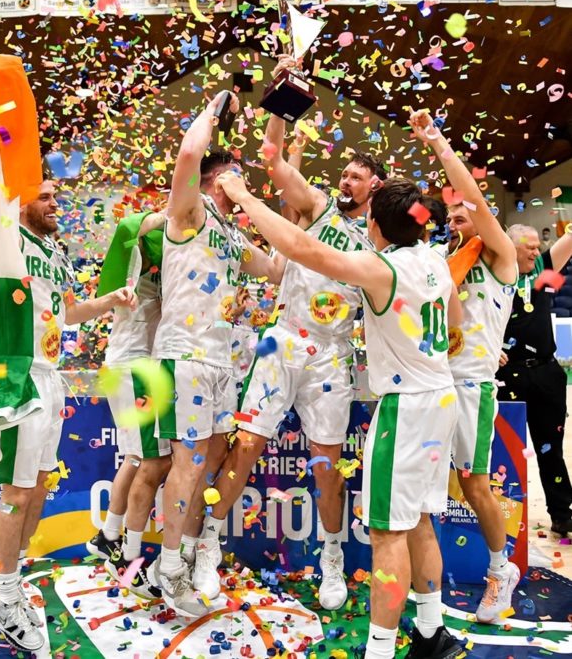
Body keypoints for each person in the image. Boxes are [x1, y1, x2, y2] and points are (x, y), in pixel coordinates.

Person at [215, 169, 464, 659]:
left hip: (408, 407)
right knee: (419, 521)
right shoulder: (436, 260)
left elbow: (303, 250)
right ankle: (433, 632)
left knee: (387, 532)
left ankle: (380, 648)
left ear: (375, 223)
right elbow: (454, 323)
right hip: (442, 397)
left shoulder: (380, 269)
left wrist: (243, 196)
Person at [192, 67, 386, 612]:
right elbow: (274, 161)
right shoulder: (318, 208)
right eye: (342, 173)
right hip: (282, 343)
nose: (344, 181)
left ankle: (330, 558)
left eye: (355, 176)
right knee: (247, 445)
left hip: (334, 356)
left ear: (376, 186)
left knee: (327, 462)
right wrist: (284, 100)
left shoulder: (383, 245)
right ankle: (208, 543)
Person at [0, 181, 138, 652]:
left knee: (41, 480)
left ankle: (10, 576)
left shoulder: (55, 251)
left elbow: (68, 313)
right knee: (17, 488)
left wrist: (111, 301)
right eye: (46, 196)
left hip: (49, 374)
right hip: (12, 375)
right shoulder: (6, 235)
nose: (56, 204)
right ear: (21, 199)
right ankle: (4, 591)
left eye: (56, 197)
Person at [146, 91, 282, 618]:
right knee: (186, 464)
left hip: (222, 363)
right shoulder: (189, 212)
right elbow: (186, 158)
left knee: (208, 462)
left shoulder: (229, 232)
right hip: (185, 358)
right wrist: (212, 108)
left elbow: (274, 269)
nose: (241, 178)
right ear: (215, 179)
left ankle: (188, 551)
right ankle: (171, 569)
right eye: (235, 173)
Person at [411, 110, 521, 624]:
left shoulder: (501, 258)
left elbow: (471, 197)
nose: (454, 224)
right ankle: (424, 586)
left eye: (462, 217)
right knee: (426, 489)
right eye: (449, 220)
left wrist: (437, 143)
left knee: (475, 485)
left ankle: (502, 570)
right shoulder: (441, 264)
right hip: (430, 385)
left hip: (472, 387)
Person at [86, 209, 171, 601]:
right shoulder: (132, 263)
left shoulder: (160, 276)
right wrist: (171, 213)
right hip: (132, 367)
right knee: (153, 461)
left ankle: (107, 537)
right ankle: (129, 562)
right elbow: (125, 226)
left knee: (136, 459)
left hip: (130, 366)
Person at [497, 224, 572, 536]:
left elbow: (569, 240)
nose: (535, 250)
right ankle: (499, 517)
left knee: (550, 448)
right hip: (504, 374)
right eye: (527, 245)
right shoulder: (495, 275)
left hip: (545, 372)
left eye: (537, 245)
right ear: (507, 246)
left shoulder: (541, 270)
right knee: (501, 449)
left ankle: (562, 514)